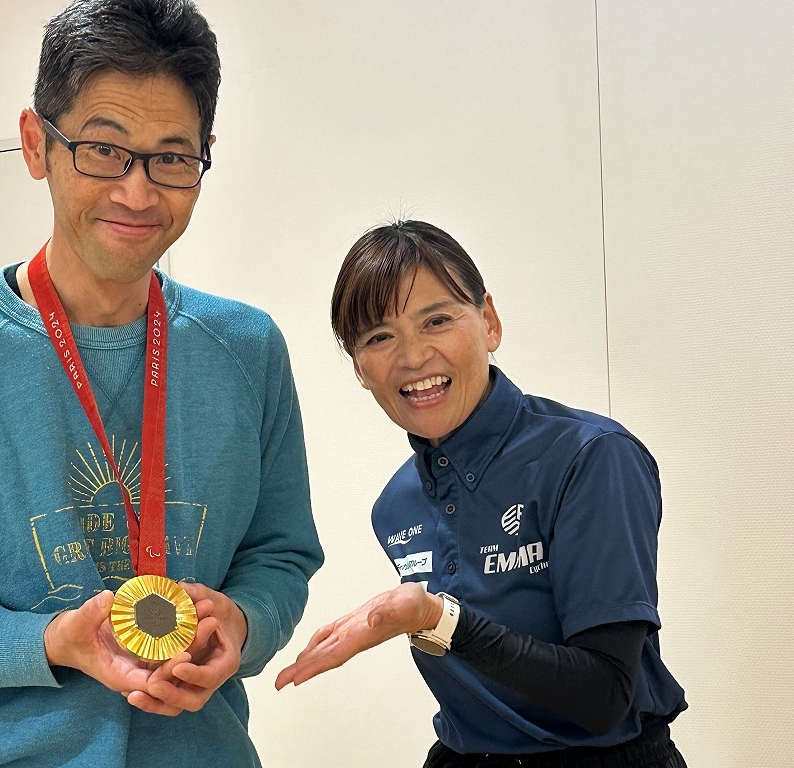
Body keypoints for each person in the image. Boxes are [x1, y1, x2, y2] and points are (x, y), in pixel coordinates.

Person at [0, 1, 323, 766]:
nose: (137, 193)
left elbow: (280, 553)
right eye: (103, 150)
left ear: (204, 158)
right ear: (36, 143)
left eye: (172, 158)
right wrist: (41, 642)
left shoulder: (248, 349)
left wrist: (243, 622)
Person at [276, 220, 687, 767]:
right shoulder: (395, 506)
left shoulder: (591, 457)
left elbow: (603, 697)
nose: (413, 356)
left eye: (437, 320)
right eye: (379, 337)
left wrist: (437, 619)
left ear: (489, 321)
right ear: (359, 368)